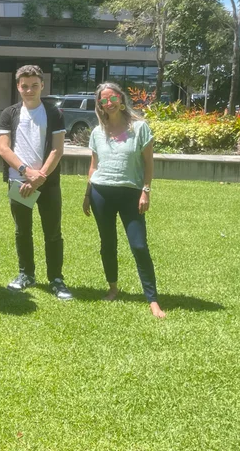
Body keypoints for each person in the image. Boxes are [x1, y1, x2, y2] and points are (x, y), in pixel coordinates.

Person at [83, 82, 166, 319]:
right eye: (103, 100)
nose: (108, 103)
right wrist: (87, 194)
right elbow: (93, 166)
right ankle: (113, 288)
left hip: (131, 194)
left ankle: (152, 300)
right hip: (101, 193)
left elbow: (149, 163)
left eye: (112, 98)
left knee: (139, 246)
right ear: (99, 104)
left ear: (121, 99)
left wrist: (146, 190)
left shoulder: (140, 128)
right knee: (107, 244)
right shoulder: (98, 131)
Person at [0, 65, 72, 300]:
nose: (29, 90)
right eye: (25, 86)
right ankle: (25, 274)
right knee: (23, 231)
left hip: (47, 183)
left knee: (53, 232)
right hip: (19, 181)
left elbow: (58, 150)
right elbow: (3, 147)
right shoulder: (9, 113)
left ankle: (56, 279)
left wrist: (39, 178)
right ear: (18, 87)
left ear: (42, 86)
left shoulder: (54, 113)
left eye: (34, 85)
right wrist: (25, 172)